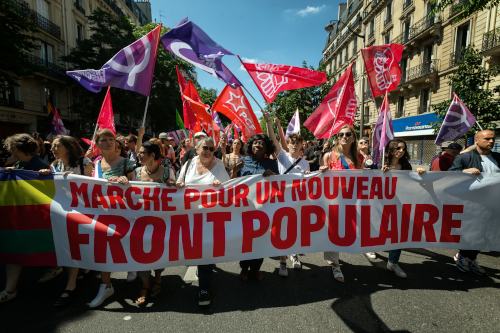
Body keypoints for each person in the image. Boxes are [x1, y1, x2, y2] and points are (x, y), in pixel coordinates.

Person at [39, 136, 94, 306]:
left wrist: (75, 180)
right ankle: (79, 271)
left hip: (81, 210)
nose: (53, 149)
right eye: (53, 146)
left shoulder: (84, 162)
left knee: (74, 244)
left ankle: (71, 285)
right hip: (61, 211)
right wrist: (46, 175)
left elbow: (93, 186)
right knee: (68, 244)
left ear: (68, 147)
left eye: (57, 146)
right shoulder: (55, 165)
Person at [176, 137, 229, 307]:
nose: (208, 151)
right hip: (189, 216)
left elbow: (228, 188)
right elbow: (179, 181)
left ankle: (204, 288)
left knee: (204, 251)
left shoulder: (219, 165)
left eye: (211, 149)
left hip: (210, 218)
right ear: (197, 149)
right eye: (204, 147)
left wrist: (220, 185)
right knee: (194, 250)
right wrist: (179, 183)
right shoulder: (189, 163)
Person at [88, 129, 136, 308]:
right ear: (97, 144)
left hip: (124, 212)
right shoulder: (96, 164)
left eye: (110, 139)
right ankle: (106, 285)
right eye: (103, 140)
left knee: (125, 243)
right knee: (102, 247)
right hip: (102, 212)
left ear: (116, 143)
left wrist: (127, 181)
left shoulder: (126, 163)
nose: (107, 142)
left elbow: (138, 187)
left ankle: (132, 265)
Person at [0, 133, 49, 303]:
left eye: (12, 147)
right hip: (21, 218)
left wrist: (47, 174)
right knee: (15, 250)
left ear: (18, 148)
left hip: (34, 219)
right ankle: (10, 289)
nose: (9, 150)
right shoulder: (19, 163)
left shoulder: (39, 165)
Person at [450, 129, 500, 275]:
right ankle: (464, 257)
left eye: (493, 139)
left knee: (485, 234)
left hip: (493, 204)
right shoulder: (465, 158)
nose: (491, 141)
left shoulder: (498, 157)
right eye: (487, 139)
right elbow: (448, 176)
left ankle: (471, 258)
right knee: (473, 232)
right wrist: (463, 172)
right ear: (477, 140)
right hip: (473, 204)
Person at [265, 114, 309, 276]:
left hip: (297, 202)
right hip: (281, 200)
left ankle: (294, 255)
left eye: (297, 143)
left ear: (301, 146)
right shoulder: (283, 156)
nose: (294, 145)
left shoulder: (305, 163)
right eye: (292, 143)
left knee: (295, 231)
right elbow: (273, 141)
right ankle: (283, 262)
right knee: (283, 232)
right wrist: (271, 124)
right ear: (288, 144)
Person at [133, 141, 175, 306]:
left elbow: (176, 192)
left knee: (158, 251)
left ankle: (157, 279)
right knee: (140, 254)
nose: (139, 155)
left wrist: (174, 185)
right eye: (140, 152)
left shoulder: (167, 172)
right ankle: (145, 285)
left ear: (153, 155)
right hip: (139, 220)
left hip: (160, 220)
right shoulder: (136, 172)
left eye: (143, 152)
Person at [320, 125, 362, 283]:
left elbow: (365, 177)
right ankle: (335, 265)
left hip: (352, 200)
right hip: (333, 201)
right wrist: (321, 170)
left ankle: (335, 257)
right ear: (337, 138)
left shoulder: (359, 157)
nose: (344, 136)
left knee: (349, 231)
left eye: (348, 134)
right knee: (335, 231)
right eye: (341, 134)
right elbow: (321, 178)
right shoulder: (329, 156)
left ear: (353, 137)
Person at [380, 139, 425, 278]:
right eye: (398, 148)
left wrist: (419, 173)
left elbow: (412, 183)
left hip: (400, 204)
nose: (401, 151)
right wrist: (380, 173)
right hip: (381, 204)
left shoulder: (406, 166)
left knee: (399, 233)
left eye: (403, 149)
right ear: (391, 149)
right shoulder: (380, 164)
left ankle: (393, 262)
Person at [239, 134, 278, 281]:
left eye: (261, 143)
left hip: (264, 210)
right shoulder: (243, 162)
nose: (258, 145)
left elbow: (280, 185)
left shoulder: (272, 164)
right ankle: (244, 268)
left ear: (266, 148)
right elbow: (233, 185)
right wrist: (234, 172)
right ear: (250, 146)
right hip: (246, 209)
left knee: (261, 241)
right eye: (255, 143)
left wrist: (272, 176)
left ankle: (255, 270)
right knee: (246, 241)